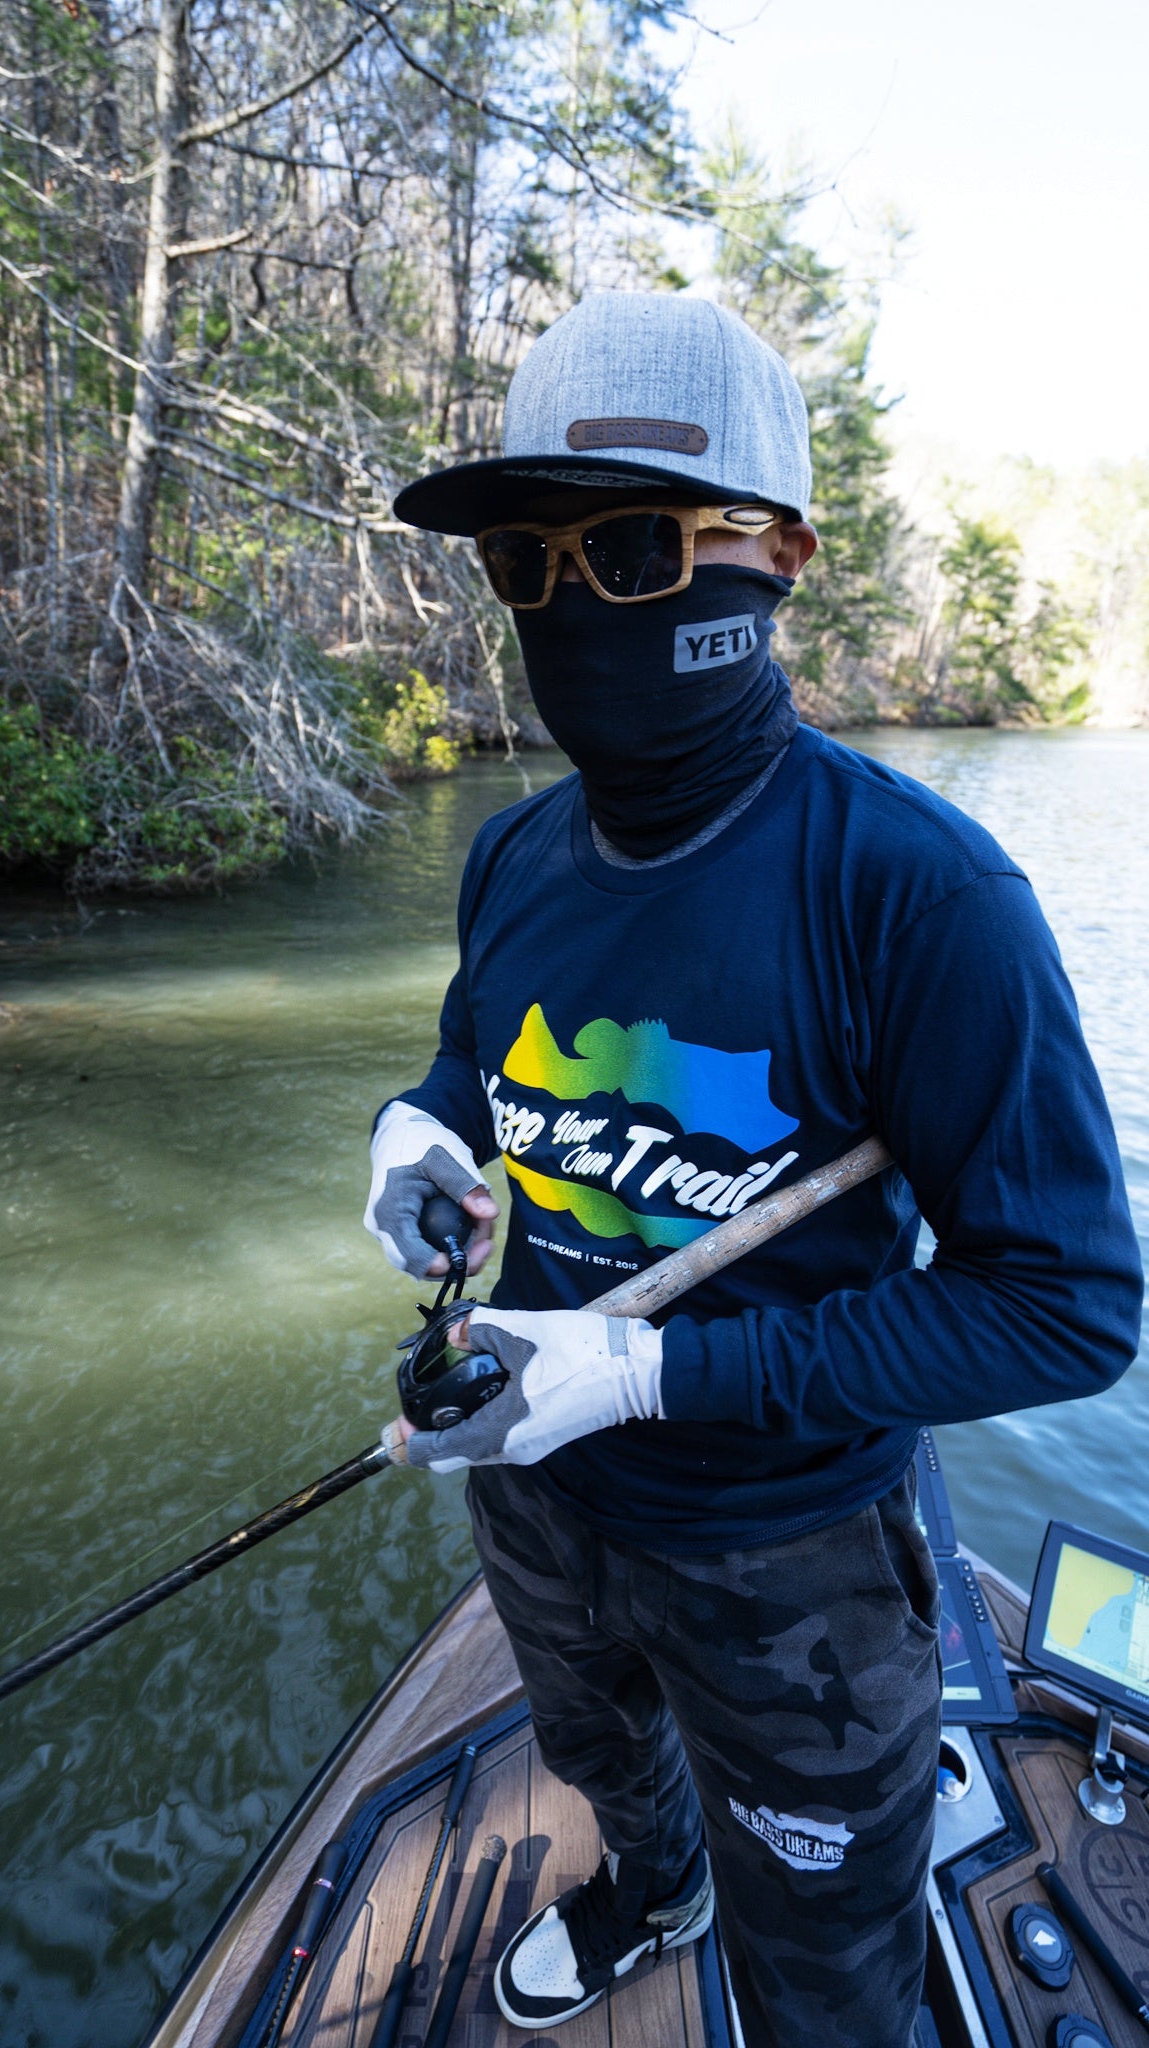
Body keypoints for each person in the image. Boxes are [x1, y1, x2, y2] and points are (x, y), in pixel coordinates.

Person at [363, 292, 1142, 2048]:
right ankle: (647, 1883)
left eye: (631, 547)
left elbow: (1066, 1308)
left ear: (777, 554)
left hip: (789, 1553)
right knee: (593, 1752)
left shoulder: (920, 898)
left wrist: (661, 1367)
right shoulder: (511, 856)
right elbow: (477, 1058)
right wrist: (425, 1131)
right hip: (536, 1471)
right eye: (523, 558)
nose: (570, 600)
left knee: (824, 1965)